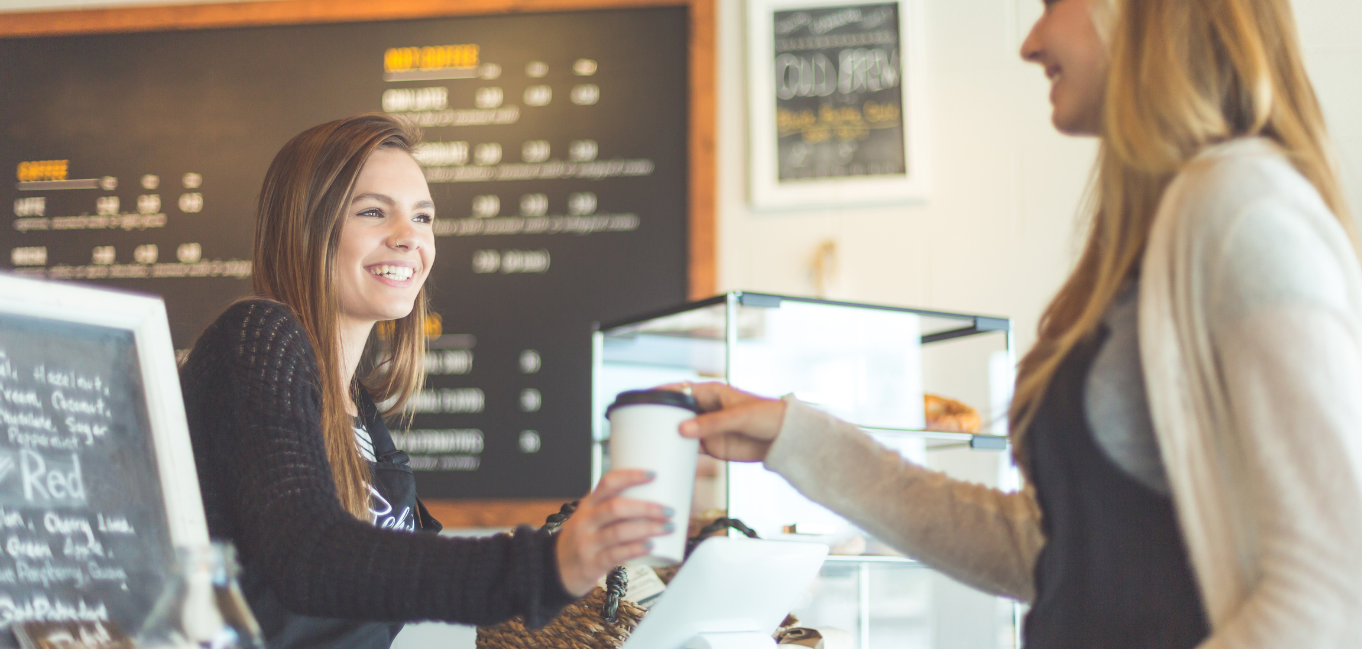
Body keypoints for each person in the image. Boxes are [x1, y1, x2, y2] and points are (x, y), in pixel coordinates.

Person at [678, 0, 1362, 646]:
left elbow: (1332, 587)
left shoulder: (1244, 211)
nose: (1030, 43)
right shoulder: (1158, 229)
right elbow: (1059, 549)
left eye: (1051, 2)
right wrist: (797, 439)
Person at [178, 113, 670, 648]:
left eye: (423, 218)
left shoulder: (356, 407)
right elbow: (309, 555)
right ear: (305, 228)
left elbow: (398, 566)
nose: (409, 239)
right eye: (372, 212)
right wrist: (543, 567)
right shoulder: (256, 336)